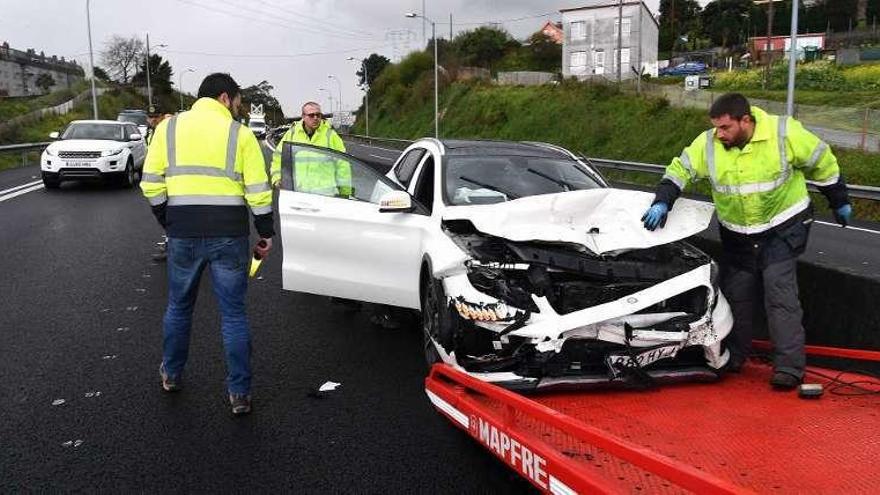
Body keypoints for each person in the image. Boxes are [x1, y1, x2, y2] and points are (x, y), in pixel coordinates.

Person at [641, 93, 851, 390]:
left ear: (746, 121)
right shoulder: (709, 144)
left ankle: (789, 368)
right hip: (738, 234)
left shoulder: (784, 132)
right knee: (737, 295)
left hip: (782, 228)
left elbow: (822, 162)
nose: (720, 134)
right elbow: (680, 169)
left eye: (725, 128)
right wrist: (663, 201)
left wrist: (838, 199)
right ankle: (735, 356)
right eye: (716, 128)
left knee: (779, 295)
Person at [140, 73, 274, 415]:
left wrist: (167, 220)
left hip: (182, 232)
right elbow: (258, 190)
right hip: (229, 235)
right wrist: (265, 232)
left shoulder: (167, 130)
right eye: (239, 101)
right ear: (225, 98)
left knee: (179, 307)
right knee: (233, 315)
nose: (239, 108)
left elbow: (151, 183)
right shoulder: (240, 134)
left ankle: (171, 375)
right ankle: (239, 394)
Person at [269, 101, 349, 193]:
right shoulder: (292, 134)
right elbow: (278, 158)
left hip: (325, 196)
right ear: (303, 116)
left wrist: (345, 193)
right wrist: (277, 178)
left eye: (318, 115)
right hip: (298, 194)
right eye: (311, 115)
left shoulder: (331, 136)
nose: (315, 118)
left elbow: (343, 166)